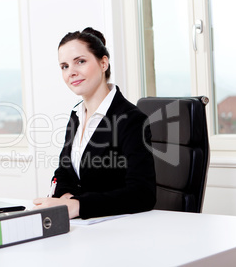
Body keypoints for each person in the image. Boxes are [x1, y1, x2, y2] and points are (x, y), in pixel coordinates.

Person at [33, 27, 156, 219]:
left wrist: (77, 206)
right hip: (83, 228)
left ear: (103, 63)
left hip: (120, 230)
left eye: (80, 62)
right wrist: (65, 198)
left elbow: (143, 194)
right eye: (64, 66)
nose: (71, 72)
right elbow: (64, 171)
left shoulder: (131, 120)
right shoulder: (76, 115)